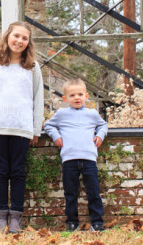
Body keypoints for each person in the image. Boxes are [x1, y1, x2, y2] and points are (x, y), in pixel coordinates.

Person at [0, 21, 44, 234]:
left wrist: (36, 129)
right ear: (8, 36)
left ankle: (16, 218)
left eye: (24, 38)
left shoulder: (33, 67)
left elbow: (38, 99)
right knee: (1, 172)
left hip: (21, 127)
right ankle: (0, 218)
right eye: (16, 36)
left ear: (28, 43)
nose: (19, 41)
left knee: (17, 172)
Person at [43, 78, 108, 232]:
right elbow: (48, 125)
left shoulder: (92, 114)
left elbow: (103, 125)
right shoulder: (62, 114)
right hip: (69, 159)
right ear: (65, 99)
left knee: (93, 192)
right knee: (70, 193)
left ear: (86, 96)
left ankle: (97, 223)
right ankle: (72, 222)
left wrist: (100, 136)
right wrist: (56, 136)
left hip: (89, 159)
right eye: (72, 95)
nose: (77, 98)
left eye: (80, 94)